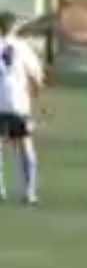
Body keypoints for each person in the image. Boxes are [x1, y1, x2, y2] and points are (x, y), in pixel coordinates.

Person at [0, 12, 43, 204]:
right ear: (14, 27)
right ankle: (29, 191)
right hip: (18, 104)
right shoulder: (22, 47)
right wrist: (36, 93)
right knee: (26, 146)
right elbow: (36, 75)